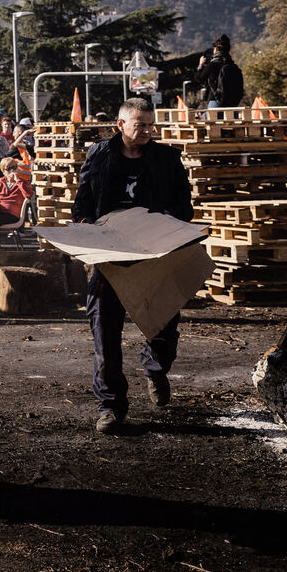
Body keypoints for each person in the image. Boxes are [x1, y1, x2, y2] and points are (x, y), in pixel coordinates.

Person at [73, 97, 193, 435]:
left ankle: (155, 368)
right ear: (121, 124)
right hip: (110, 258)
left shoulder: (167, 158)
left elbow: (184, 205)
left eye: (151, 125)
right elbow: (82, 203)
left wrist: (163, 220)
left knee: (165, 328)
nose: (147, 131)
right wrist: (86, 227)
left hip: (155, 255)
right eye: (140, 125)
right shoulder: (100, 155)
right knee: (105, 334)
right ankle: (111, 406)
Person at [0, 157, 33, 250]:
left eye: (14, 168)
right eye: (8, 169)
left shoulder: (23, 182)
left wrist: (18, 181)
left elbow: (29, 195)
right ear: (3, 171)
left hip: (13, 216)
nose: (12, 171)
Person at [196, 35, 244, 108]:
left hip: (216, 101)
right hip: (232, 103)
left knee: (213, 116)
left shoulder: (213, 64)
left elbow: (200, 78)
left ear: (215, 49)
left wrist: (200, 64)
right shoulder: (232, 65)